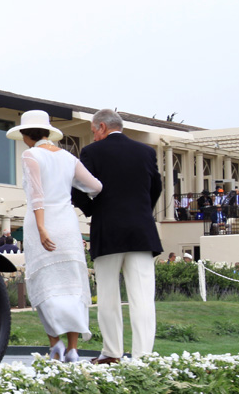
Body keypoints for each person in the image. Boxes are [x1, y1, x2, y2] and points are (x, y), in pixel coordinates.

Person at [8, 110, 102, 363]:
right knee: (72, 285)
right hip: (67, 224)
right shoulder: (68, 158)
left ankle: (55, 344)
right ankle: (73, 348)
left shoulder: (30, 154)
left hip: (42, 223)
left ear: (27, 136)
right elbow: (95, 186)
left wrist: (41, 228)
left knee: (45, 285)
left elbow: (36, 195)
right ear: (47, 132)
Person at [72, 109, 162, 364]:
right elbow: (156, 187)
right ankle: (144, 356)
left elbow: (78, 187)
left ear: (101, 127)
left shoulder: (92, 153)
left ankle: (112, 353)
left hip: (107, 231)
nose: (94, 137)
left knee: (108, 296)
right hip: (141, 231)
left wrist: (93, 211)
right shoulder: (146, 152)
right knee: (143, 297)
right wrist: (144, 211)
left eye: (93, 132)